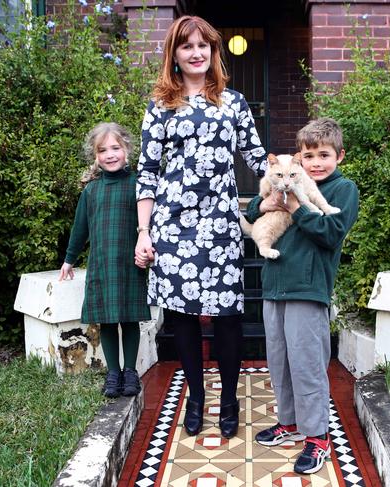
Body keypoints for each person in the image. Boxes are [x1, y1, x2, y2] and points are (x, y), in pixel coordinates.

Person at [134, 15, 267, 438]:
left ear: (213, 52)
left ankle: (229, 398)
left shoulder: (235, 102)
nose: (196, 53)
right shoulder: (160, 105)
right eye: (187, 46)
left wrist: (291, 183)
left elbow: (257, 158)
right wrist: (144, 231)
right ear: (174, 54)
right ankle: (196, 396)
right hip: (173, 226)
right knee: (184, 317)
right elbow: (148, 172)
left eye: (203, 46)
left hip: (221, 223)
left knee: (228, 316)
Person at [245, 118, 359, 475]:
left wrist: (295, 206)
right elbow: (254, 207)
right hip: (275, 283)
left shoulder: (342, 190)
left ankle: (317, 437)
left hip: (308, 290)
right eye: (309, 156)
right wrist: (262, 207)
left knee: (307, 364)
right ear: (299, 158)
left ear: (339, 156)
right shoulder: (286, 180)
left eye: (324, 155)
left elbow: (331, 231)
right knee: (279, 361)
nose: (316, 163)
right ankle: (290, 423)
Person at [59, 122, 150, 398]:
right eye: (103, 150)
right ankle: (114, 372)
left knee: (129, 318)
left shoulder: (138, 185)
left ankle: (130, 372)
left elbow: (150, 222)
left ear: (127, 150)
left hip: (130, 264)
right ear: (95, 156)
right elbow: (80, 228)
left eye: (115, 148)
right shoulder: (91, 191)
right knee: (107, 320)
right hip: (102, 264)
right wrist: (69, 259)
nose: (110, 154)